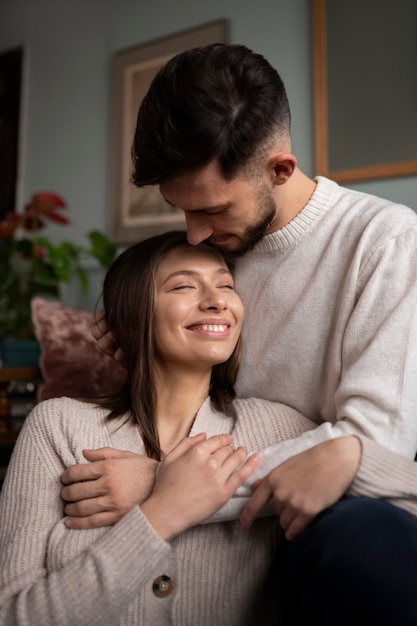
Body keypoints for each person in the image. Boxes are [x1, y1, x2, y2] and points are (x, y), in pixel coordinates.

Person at [62, 44, 417, 623]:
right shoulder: (210, 253)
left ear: (280, 169)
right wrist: (140, 344)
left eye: (213, 212)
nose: (195, 236)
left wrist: (167, 484)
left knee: (361, 541)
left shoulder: (386, 242)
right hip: (231, 495)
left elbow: (365, 451)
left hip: (328, 520)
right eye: (181, 210)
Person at [1, 230, 336, 625]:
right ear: (131, 314)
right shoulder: (57, 427)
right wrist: (163, 510)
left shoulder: (280, 429)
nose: (216, 301)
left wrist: (155, 482)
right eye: (183, 285)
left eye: (226, 285)